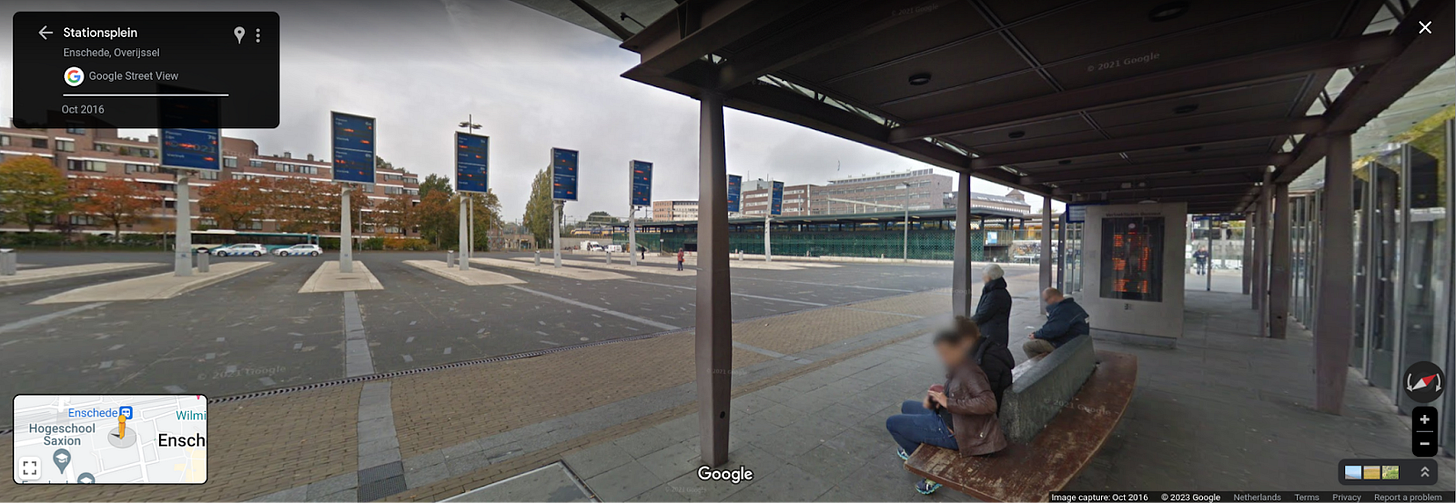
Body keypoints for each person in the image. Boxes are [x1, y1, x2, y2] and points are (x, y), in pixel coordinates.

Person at [886, 319, 1007, 495]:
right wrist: (941, 395)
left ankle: (930, 470)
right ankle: (924, 445)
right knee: (906, 406)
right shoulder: (963, 362)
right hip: (952, 417)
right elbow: (963, 392)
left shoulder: (970, 369)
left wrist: (947, 401)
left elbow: (989, 403)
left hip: (956, 431)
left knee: (893, 424)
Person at [1023, 287, 1090, 359]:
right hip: (1077, 341)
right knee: (1040, 340)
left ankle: (1042, 367)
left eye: (1046, 300)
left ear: (1052, 298)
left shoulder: (1062, 310)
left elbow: (1052, 330)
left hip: (1067, 344)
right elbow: (1054, 326)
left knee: (1028, 346)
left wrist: (1035, 335)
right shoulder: (1072, 306)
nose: (1047, 303)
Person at [969, 264, 1012, 348]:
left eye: (984, 275)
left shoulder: (995, 295)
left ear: (989, 277)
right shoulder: (996, 291)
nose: (982, 278)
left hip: (992, 335)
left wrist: (966, 323)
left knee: (990, 358)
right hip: (995, 333)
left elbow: (983, 314)